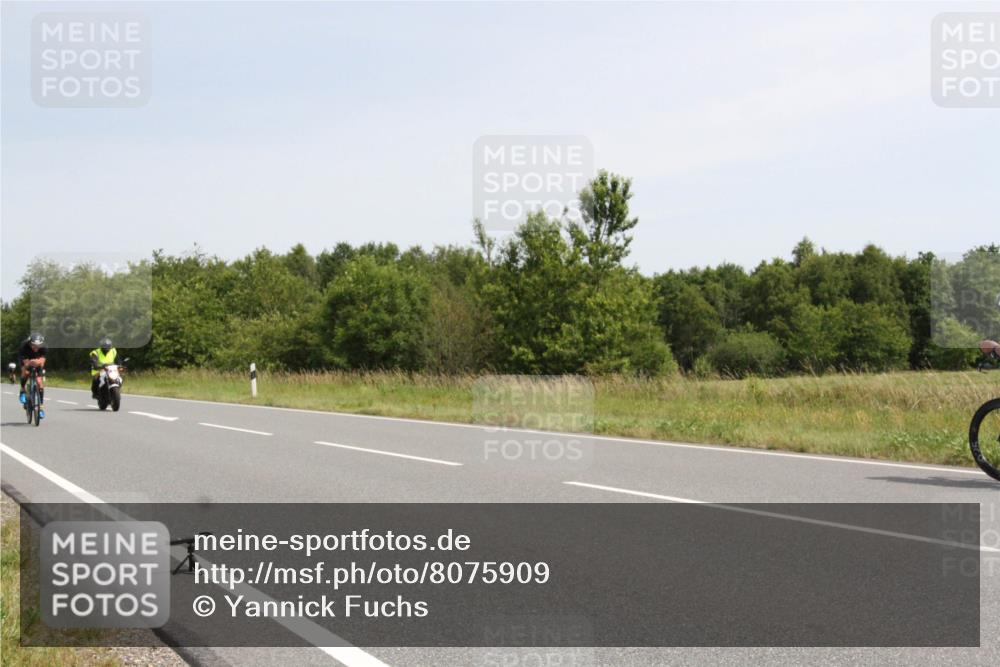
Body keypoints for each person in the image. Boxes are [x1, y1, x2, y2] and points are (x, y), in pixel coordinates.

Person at [17, 332, 47, 418]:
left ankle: (41, 407)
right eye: (33, 345)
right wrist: (30, 363)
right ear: (30, 342)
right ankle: (22, 390)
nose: (36, 348)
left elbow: (42, 362)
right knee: (26, 372)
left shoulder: (44, 347)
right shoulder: (24, 346)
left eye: (38, 346)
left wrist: (38, 362)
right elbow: (26, 364)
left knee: (39, 382)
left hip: (37, 360)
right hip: (26, 359)